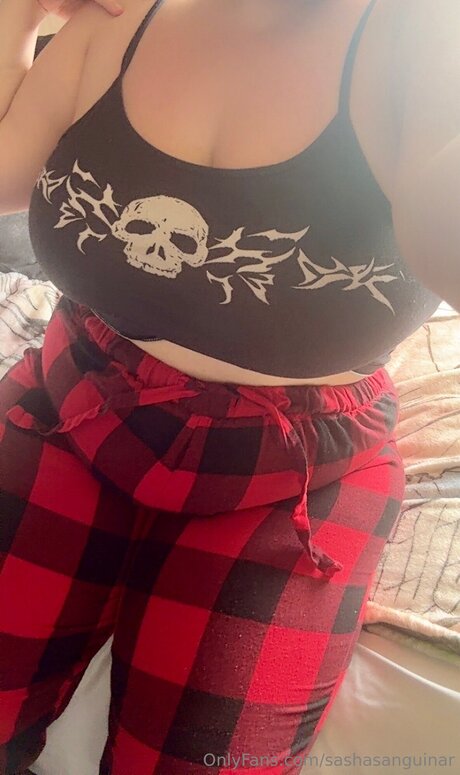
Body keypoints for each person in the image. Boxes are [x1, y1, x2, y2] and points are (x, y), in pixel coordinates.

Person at [0, 0, 455, 773]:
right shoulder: (113, 20)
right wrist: (16, 14)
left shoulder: (417, 49)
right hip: (77, 396)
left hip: (293, 469)